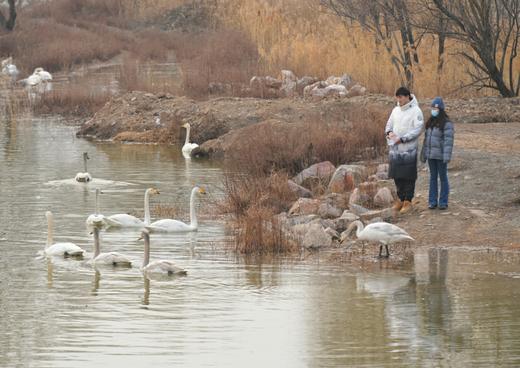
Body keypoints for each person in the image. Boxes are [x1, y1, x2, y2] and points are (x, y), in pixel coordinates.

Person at [385, 87, 424, 214]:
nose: (399, 100)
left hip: (408, 149)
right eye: (397, 97)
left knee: (408, 175)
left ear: (407, 97)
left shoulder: (416, 111)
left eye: (401, 97)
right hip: (395, 149)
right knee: (397, 174)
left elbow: (418, 129)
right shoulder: (395, 110)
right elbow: (388, 125)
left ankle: (408, 200)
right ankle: (400, 199)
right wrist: (390, 133)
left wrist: (403, 139)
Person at [420, 97, 454, 210]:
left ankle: (443, 202)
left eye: (435, 108)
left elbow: (448, 141)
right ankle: (432, 201)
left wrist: (446, 156)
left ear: (440, 109)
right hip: (431, 156)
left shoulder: (447, 123)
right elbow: (426, 140)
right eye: (432, 107)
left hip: (440, 156)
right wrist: (424, 154)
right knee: (433, 178)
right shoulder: (430, 122)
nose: (433, 110)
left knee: (443, 178)